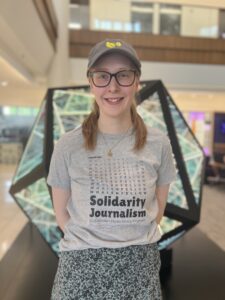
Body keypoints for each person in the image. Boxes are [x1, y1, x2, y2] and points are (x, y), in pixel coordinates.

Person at [47, 38, 176, 300]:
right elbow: (62, 215)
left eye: (124, 75)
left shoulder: (159, 143)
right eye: (102, 76)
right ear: (91, 82)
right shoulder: (68, 145)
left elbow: (157, 210)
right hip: (80, 270)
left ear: (137, 81)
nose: (113, 86)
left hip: (139, 269)